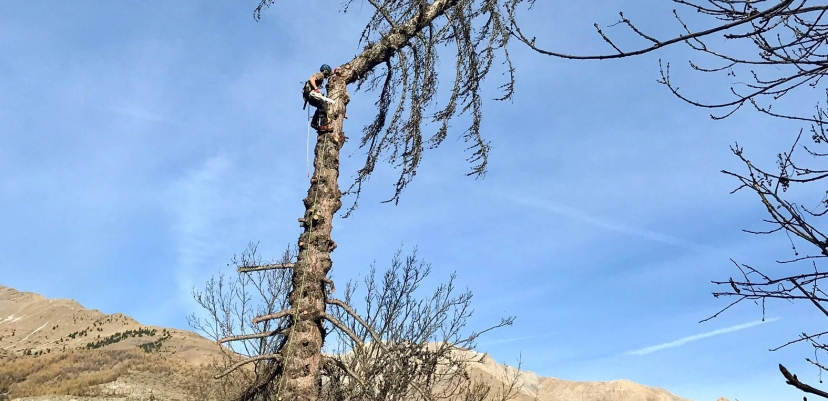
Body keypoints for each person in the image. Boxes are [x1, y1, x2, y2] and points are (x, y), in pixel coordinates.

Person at [303, 64, 334, 133]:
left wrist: (334, 71)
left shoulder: (322, 75)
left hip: (308, 96)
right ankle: (324, 125)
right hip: (310, 93)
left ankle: (314, 123)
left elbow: (331, 73)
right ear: (326, 71)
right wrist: (316, 88)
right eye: (328, 73)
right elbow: (312, 79)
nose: (328, 75)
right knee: (323, 105)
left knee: (320, 107)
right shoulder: (321, 75)